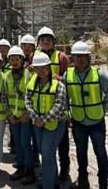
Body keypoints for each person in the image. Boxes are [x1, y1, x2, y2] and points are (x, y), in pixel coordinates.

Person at [65, 41, 108, 189]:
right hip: (78, 121)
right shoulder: (68, 75)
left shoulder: (99, 74)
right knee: (81, 153)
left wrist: (101, 111)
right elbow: (65, 98)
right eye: (77, 56)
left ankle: (103, 181)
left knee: (100, 153)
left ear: (88, 58)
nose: (80, 59)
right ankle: (83, 179)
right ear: (73, 58)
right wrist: (68, 114)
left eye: (83, 56)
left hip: (96, 123)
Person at [26, 52, 68, 189]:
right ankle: (53, 181)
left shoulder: (58, 85)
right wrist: (34, 117)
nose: (41, 71)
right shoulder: (32, 82)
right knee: (46, 153)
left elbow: (60, 105)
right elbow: (27, 101)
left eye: (44, 67)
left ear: (49, 67)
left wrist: (43, 119)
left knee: (47, 154)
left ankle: (47, 185)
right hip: (38, 123)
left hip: (54, 124)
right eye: (37, 68)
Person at [36, 26, 70, 181]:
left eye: (48, 39)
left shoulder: (61, 57)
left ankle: (64, 170)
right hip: (41, 109)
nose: (45, 41)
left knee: (62, 144)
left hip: (58, 106)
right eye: (42, 39)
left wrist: (59, 78)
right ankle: (49, 174)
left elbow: (68, 80)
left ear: (53, 41)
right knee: (45, 148)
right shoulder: (35, 57)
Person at [3, 46, 36, 185]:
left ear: (22, 60)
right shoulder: (7, 76)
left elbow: (32, 97)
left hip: (25, 118)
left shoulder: (29, 75)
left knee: (25, 144)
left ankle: (30, 172)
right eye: (12, 59)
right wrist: (10, 115)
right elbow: (4, 98)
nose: (14, 62)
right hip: (13, 118)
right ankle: (21, 168)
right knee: (18, 144)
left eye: (17, 59)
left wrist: (26, 115)